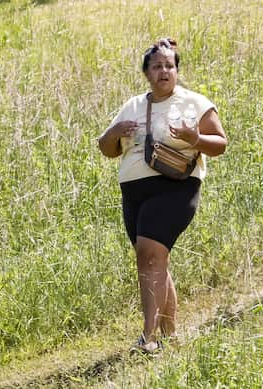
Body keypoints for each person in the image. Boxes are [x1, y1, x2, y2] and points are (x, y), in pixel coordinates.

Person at [98, 38, 228, 354]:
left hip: (175, 188)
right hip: (134, 193)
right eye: (157, 66)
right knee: (153, 260)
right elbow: (106, 148)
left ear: (177, 70)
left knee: (149, 256)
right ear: (146, 73)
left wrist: (195, 138)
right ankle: (171, 335)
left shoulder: (195, 103)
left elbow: (220, 144)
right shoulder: (132, 105)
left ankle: (149, 337)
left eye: (169, 65)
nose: (164, 71)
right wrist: (115, 133)